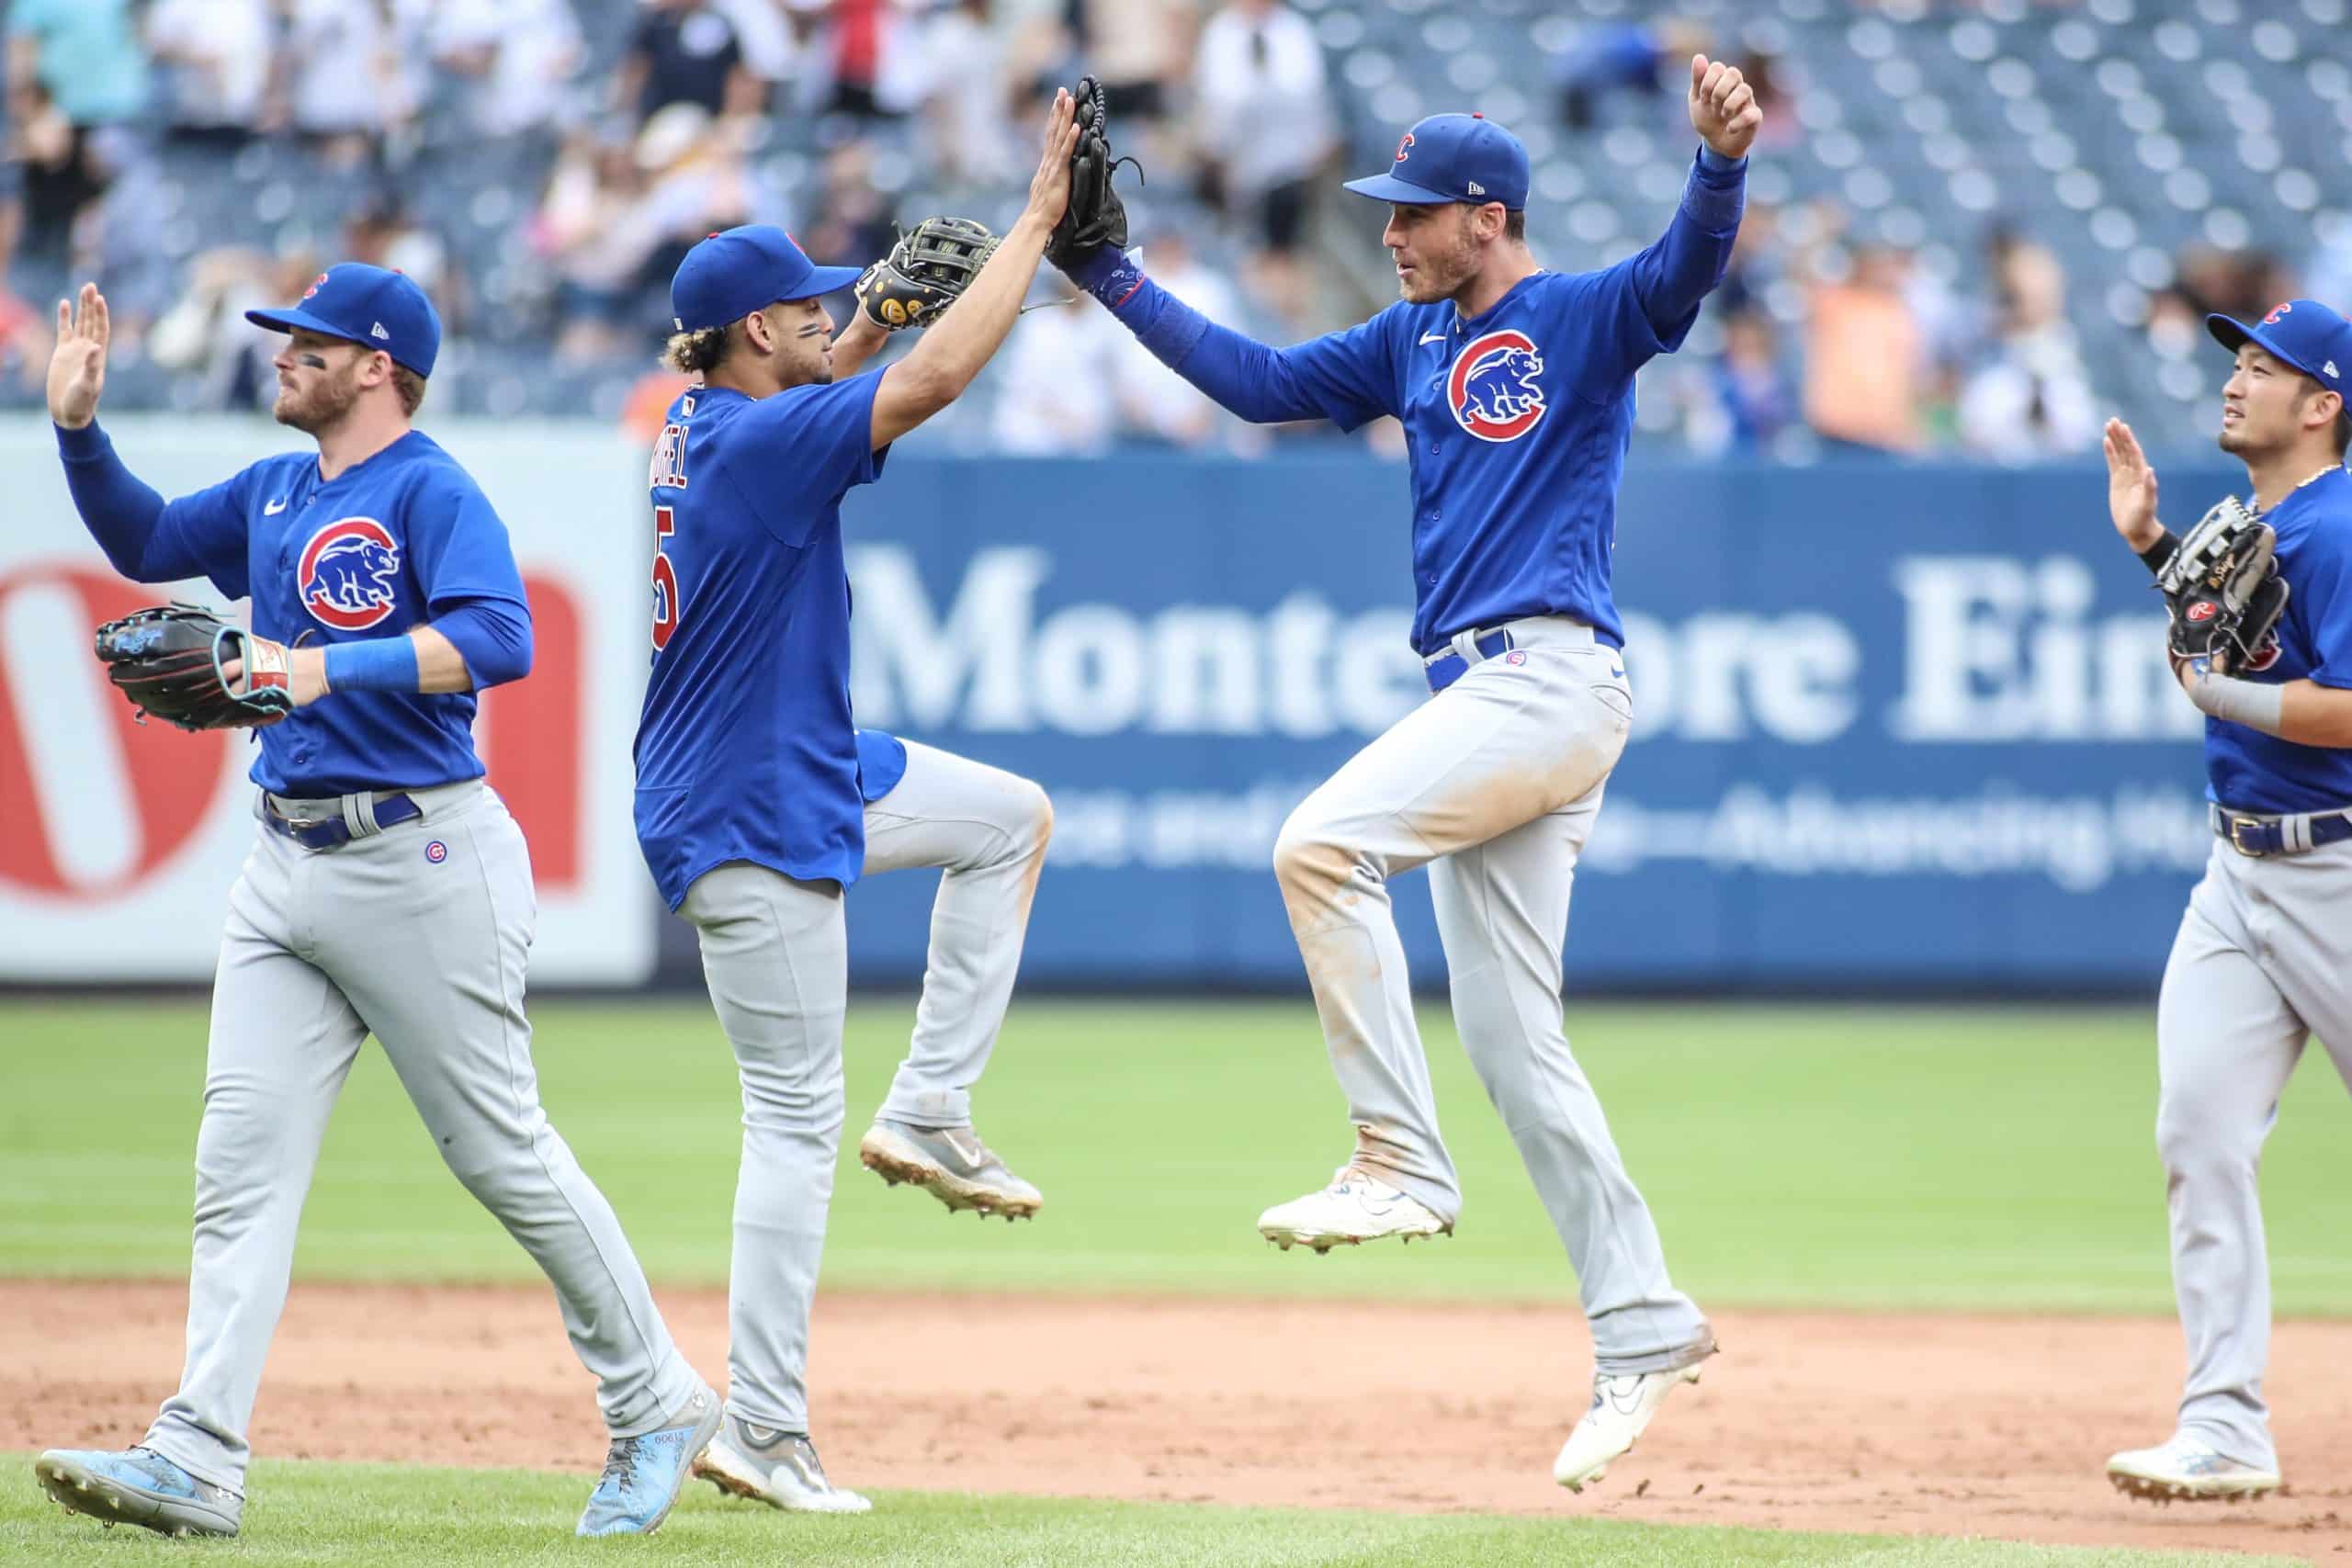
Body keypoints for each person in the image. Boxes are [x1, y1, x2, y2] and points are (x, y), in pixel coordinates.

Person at [1051, 59, 1760, 1492]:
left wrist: (1720, 163)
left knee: (1320, 846)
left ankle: (1397, 1156)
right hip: (1493, 691)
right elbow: (1255, 386)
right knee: (1513, 1045)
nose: (1389, 231)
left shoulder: (1576, 313)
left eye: (1415, 214)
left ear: (1486, 218)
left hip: (1550, 675)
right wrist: (1105, 273)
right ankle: (1643, 1325)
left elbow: (1684, 270)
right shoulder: (1410, 339)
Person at [28, 265, 719, 1540]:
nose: (284, 354)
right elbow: (142, 544)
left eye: (310, 340)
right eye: (288, 337)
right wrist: (78, 430)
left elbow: (502, 637)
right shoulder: (280, 486)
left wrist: (316, 665)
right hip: (282, 861)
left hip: (421, 861)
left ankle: (659, 1398)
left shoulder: (429, 489)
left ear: (379, 363)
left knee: (500, 1154)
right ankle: (198, 1452)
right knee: (238, 1166)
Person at [631, 92, 1078, 1513]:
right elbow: (929, 383)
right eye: (811, 308)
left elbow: (833, 386)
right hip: (751, 800)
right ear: (758, 332)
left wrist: (865, 315)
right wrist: (1035, 226)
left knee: (1009, 817)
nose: (838, 313)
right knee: (791, 1116)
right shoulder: (760, 445)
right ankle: (762, 1428)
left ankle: (936, 1106)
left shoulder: (709, 422)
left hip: (796, 762)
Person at [2098, 299, 2352, 1505]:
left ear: (2324, 405)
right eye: (2235, 360)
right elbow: (2234, 648)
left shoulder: (2343, 524)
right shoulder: (2261, 521)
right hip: (2238, 875)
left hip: (2342, 871)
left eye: (2266, 366)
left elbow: (2339, 708)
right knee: (2197, 1133)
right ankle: (2224, 1429)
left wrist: (2218, 695)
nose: (2236, 379)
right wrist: (2154, 552)